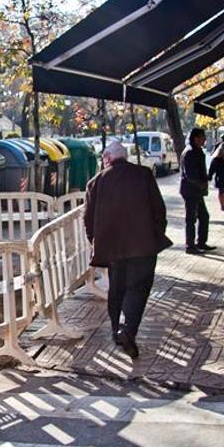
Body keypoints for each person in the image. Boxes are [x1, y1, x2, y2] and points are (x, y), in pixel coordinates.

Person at [84, 140, 172, 359]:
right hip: (143, 245)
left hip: (112, 247)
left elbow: (88, 219)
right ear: (125, 157)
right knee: (138, 287)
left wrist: (95, 242)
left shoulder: (96, 182)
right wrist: (155, 233)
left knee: (117, 288)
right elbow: (158, 209)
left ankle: (116, 330)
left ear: (107, 159)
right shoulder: (143, 174)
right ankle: (127, 329)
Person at [180, 127, 215, 254]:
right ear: (196, 138)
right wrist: (200, 184)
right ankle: (190, 245)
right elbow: (189, 174)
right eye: (202, 137)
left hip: (196, 190)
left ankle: (201, 242)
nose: (205, 139)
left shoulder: (197, 150)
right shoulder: (190, 152)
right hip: (190, 190)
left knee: (204, 216)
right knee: (191, 218)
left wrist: (205, 179)